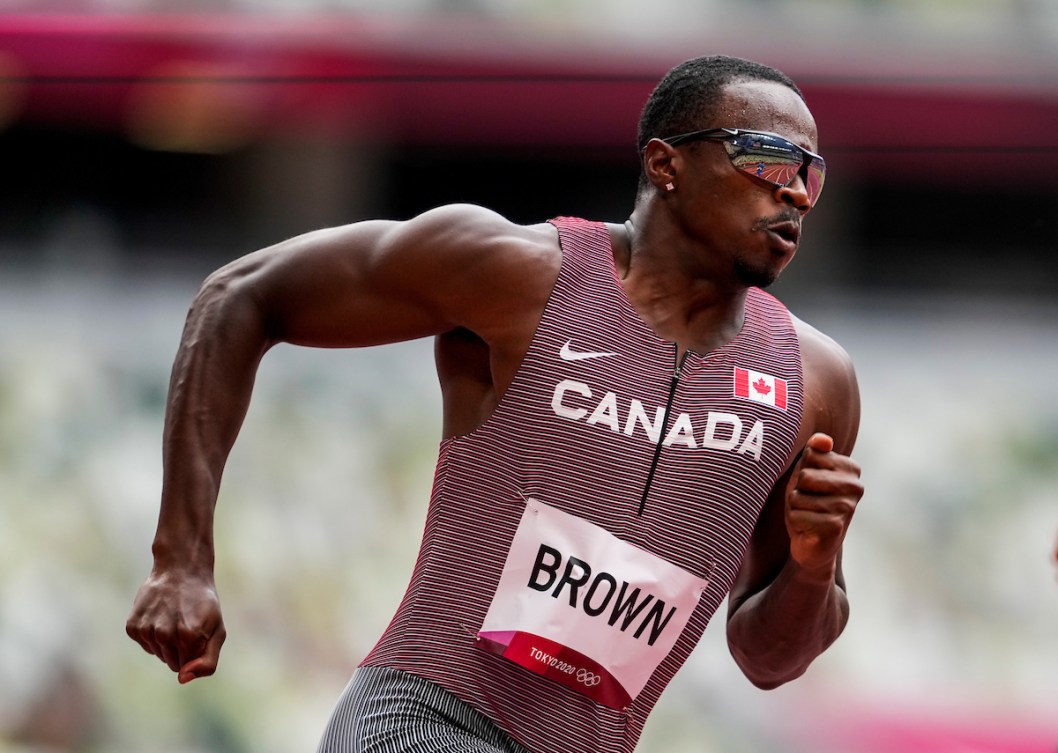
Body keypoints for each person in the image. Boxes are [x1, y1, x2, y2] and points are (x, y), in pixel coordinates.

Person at [126, 54, 864, 753]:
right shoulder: (516, 274)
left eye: (811, 174)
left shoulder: (814, 382)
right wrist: (180, 559)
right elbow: (238, 296)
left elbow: (767, 659)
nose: (795, 191)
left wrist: (811, 561)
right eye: (767, 159)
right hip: (419, 719)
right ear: (665, 163)